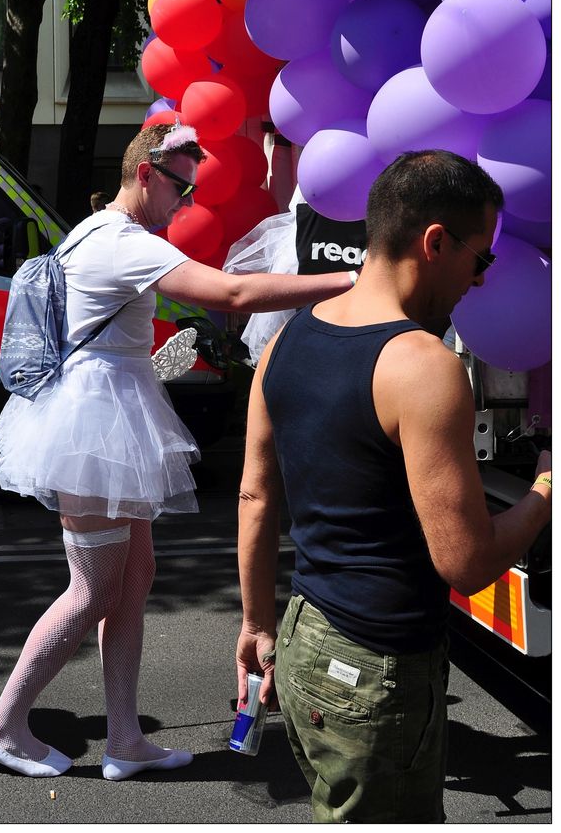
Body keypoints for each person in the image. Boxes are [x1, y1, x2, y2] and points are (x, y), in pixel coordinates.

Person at [0, 121, 355, 781]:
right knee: (92, 590)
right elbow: (234, 293)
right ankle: (5, 728)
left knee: (134, 580)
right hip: (92, 423)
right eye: (180, 186)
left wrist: (154, 362)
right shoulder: (122, 242)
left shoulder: (96, 231)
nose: (185, 201)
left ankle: (125, 741)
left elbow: (109, 337)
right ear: (145, 174)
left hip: (108, 411)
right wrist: (348, 281)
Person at [235, 149, 552, 824]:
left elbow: (256, 499)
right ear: (435, 242)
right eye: (482, 259)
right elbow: (465, 563)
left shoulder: (282, 346)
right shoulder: (423, 366)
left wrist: (255, 622)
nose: (479, 280)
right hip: (376, 670)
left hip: (304, 639)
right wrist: (546, 487)